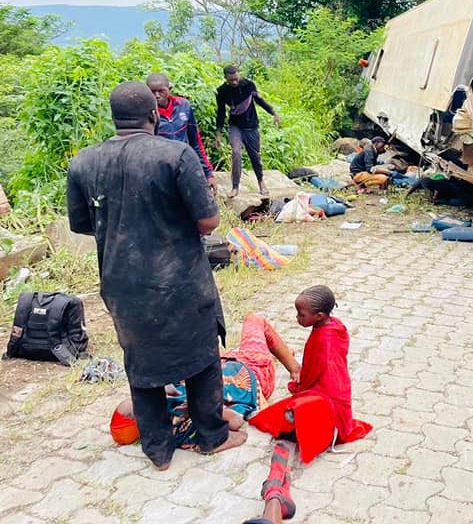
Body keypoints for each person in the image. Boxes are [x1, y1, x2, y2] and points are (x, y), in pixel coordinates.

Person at [67, 81, 244, 469]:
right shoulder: (176, 155)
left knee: (141, 361)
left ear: (114, 118)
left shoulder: (83, 162)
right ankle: (212, 436)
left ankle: (158, 450)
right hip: (180, 280)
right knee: (201, 355)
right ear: (153, 115)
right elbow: (209, 222)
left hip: (121, 284)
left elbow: (82, 224)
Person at [246, 285, 372, 524]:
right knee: (286, 429)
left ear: (320, 316)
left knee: (287, 426)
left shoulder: (325, 340)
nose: (297, 318)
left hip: (329, 408)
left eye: (301, 315)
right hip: (329, 401)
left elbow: (318, 379)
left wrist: (300, 391)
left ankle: (274, 501)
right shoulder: (333, 328)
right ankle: (275, 501)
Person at [109, 313, 301, 451]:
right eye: (136, 407)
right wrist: (198, 410)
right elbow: (236, 420)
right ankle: (295, 369)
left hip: (224, 361)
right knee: (254, 320)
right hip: (253, 372)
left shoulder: (160, 396)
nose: (141, 400)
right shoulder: (180, 425)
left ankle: (280, 354)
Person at [215, 65, 281, 198]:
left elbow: (259, 100)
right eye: (230, 80)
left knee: (255, 156)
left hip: (251, 126)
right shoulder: (222, 91)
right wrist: (218, 134)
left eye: (235, 79)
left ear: (238, 75)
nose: (234, 82)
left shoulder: (248, 85)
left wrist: (274, 113)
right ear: (225, 79)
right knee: (236, 152)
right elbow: (221, 113)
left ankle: (261, 182)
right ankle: (235, 187)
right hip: (235, 127)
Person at [146, 72, 216, 191]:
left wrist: (208, 173)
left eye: (161, 91)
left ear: (170, 89)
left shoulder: (184, 106)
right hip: (161, 171)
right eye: (152, 92)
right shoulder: (146, 113)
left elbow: (196, 142)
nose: (157, 95)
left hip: (185, 165)